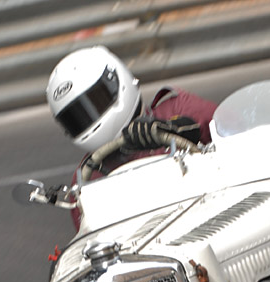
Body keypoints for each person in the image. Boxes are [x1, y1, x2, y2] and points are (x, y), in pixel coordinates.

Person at [45, 46, 217, 230]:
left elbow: (240, 132)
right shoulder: (87, 175)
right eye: (76, 118)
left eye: (94, 103)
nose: (88, 118)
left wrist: (182, 130)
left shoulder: (177, 108)